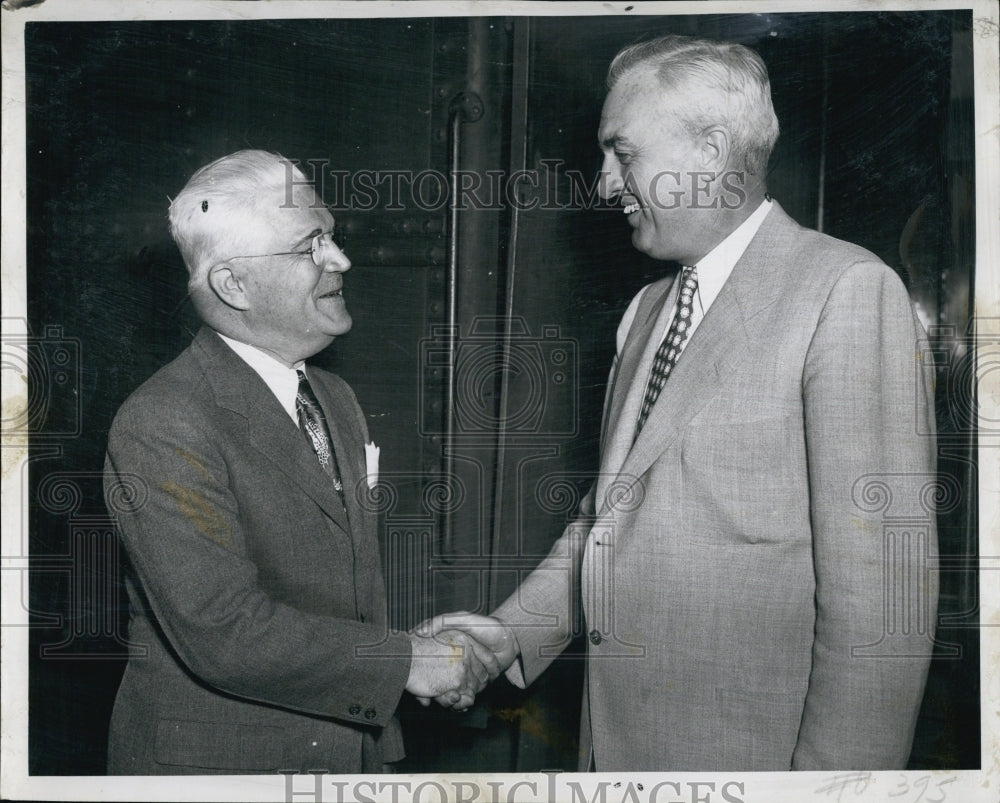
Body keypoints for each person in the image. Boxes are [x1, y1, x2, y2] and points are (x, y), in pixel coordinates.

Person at [426, 34, 939, 771]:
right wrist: (507, 636)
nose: (604, 184)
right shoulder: (645, 310)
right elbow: (608, 524)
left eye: (622, 153)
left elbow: (881, 605)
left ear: (712, 148)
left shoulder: (846, 292)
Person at [103, 150, 496, 774]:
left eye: (332, 238)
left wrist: (390, 716)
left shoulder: (332, 397)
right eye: (308, 246)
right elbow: (225, 632)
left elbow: (339, 595)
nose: (339, 260)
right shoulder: (163, 421)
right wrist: (407, 661)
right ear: (234, 284)